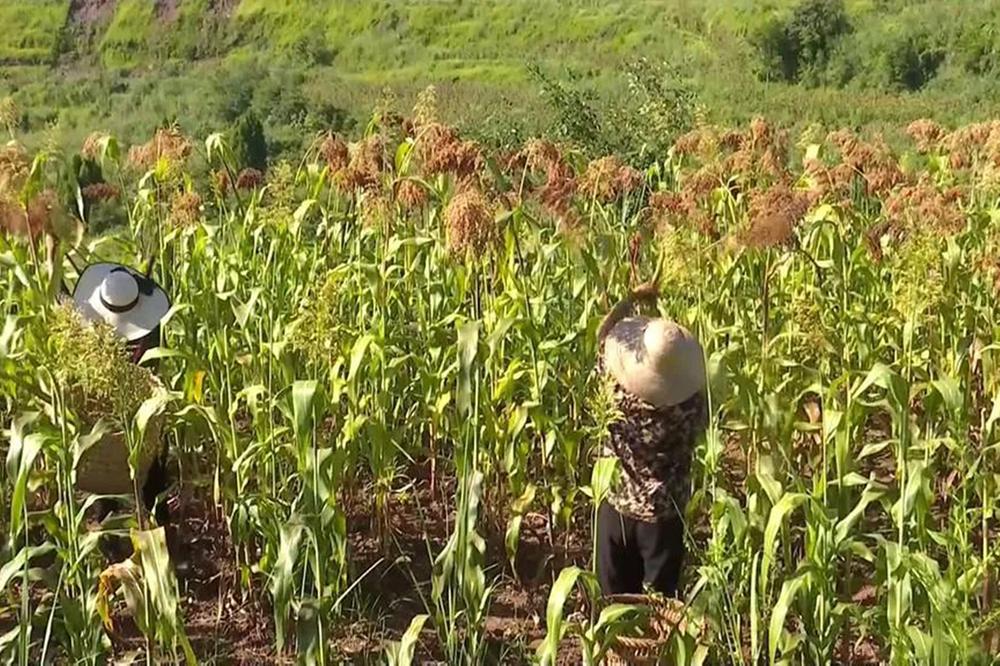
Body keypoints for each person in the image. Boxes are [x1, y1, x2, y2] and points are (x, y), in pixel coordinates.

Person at [594, 285, 708, 597]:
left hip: (615, 508)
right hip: (662, 520)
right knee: (659, 611)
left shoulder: (615, 392)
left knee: (613, 606)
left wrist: (631, 299)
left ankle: (616, 647)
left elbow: (601, 338)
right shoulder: (690, 406)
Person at [72, 261, 173, 526]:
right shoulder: (99, 333)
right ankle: (114, 521)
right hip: (111, 416)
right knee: (117, 467)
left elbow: (147, 371)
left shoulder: (148, 334)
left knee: (149, 466)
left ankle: (155, 525)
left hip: (139, 410)